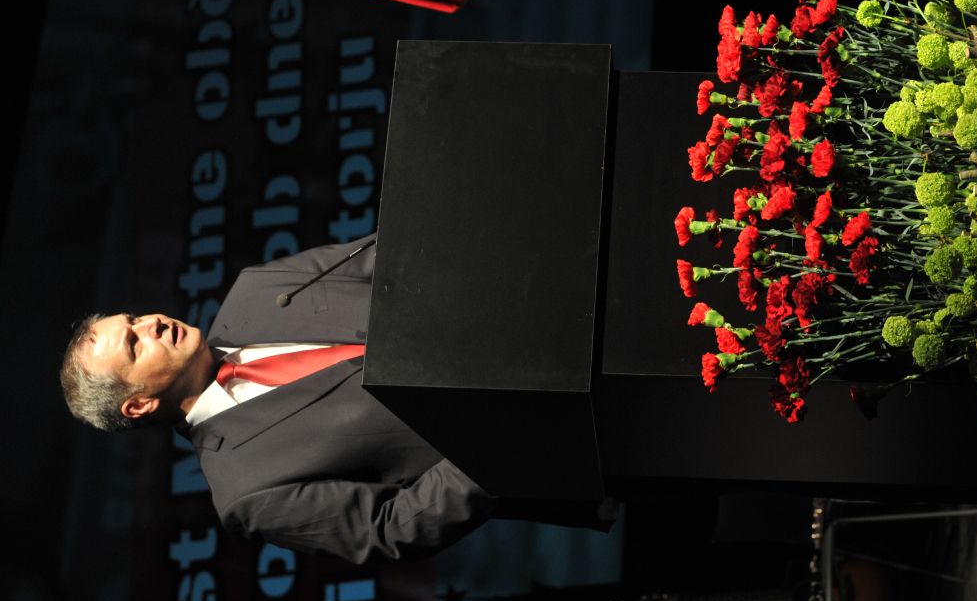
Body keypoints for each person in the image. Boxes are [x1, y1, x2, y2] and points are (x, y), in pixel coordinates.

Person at [60, 234, 603, 564]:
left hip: (552, 296)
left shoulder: (255, 291)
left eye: (134, 318)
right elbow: (393, 527)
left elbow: (395, 253)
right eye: (134, 344)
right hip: (572, 435)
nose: (151, 323)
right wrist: (499, 434)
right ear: (138, 406)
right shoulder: (246, 490)